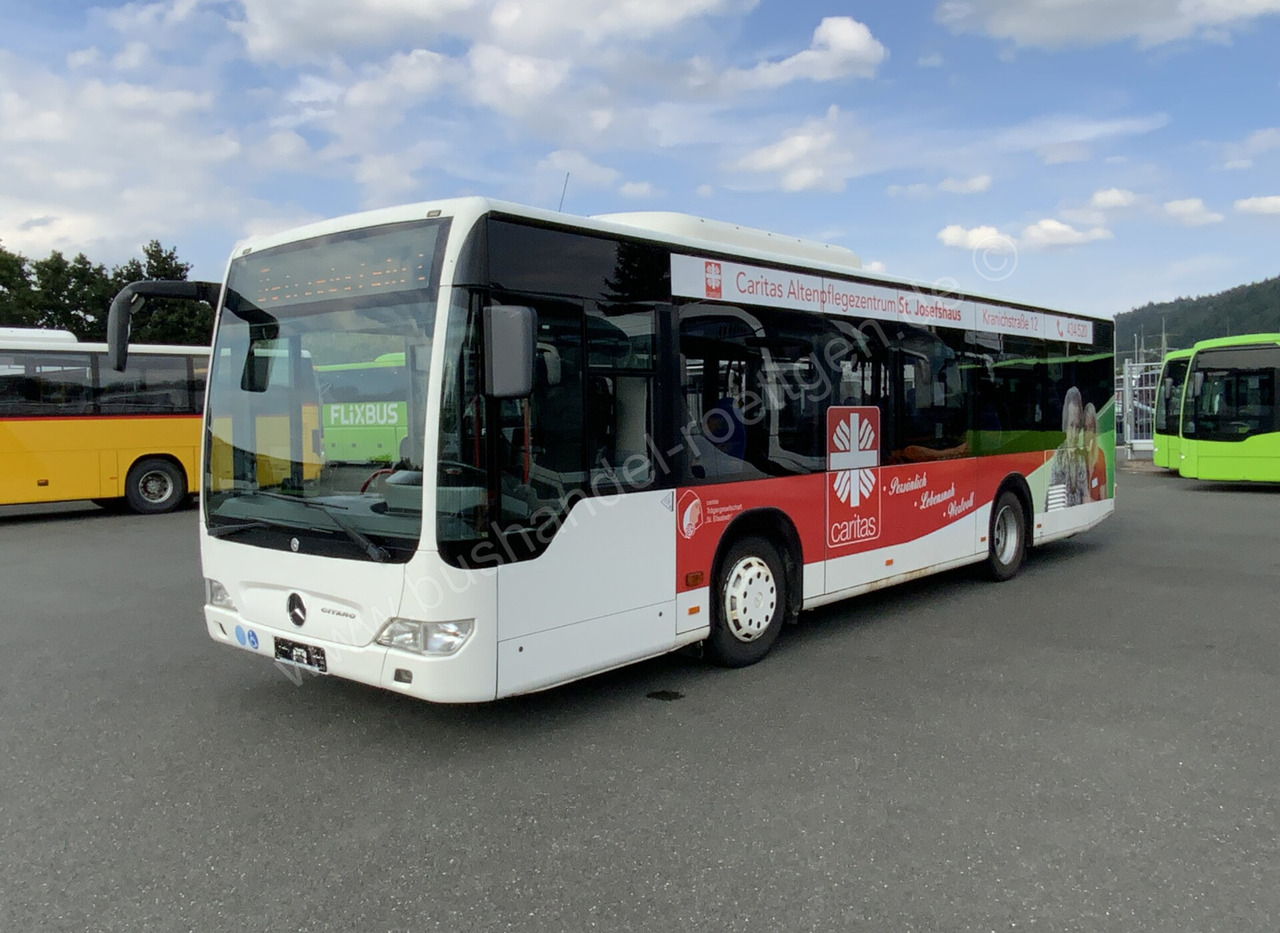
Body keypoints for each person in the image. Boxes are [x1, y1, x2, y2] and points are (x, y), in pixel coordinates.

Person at [1048, 386, 1087, 507]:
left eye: (1077, 426)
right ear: (1065, 426)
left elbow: (1084, 493)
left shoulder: (1081, 457)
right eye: (1071, 426)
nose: (1074, 433)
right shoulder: (1058, 457)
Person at [1083, 402, 1107, 501]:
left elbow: (1103, 494)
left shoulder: (1100, 455)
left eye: (1091, 427)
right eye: (1085, 428)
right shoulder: (1079, 456)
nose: (1088, 432)